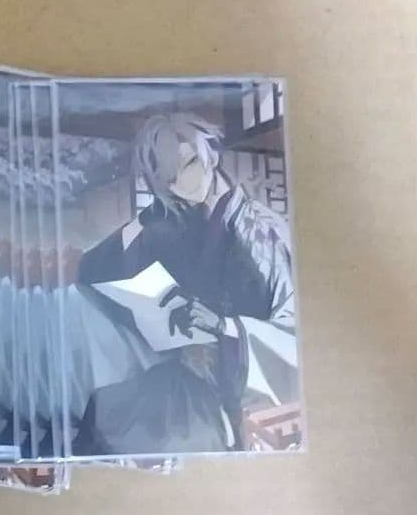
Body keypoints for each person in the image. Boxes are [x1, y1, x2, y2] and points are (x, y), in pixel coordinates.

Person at [65, 112, 298, 455]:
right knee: (105, 409)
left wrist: (223, 326)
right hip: (188, 383)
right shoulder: (182, 223)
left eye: (189, 164)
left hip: (241, 398)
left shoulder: (262, 232)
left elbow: (293, 336)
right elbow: (92, 269)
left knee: (129, 428)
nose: (182, 185)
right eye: (169, 180)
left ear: (211, 153)